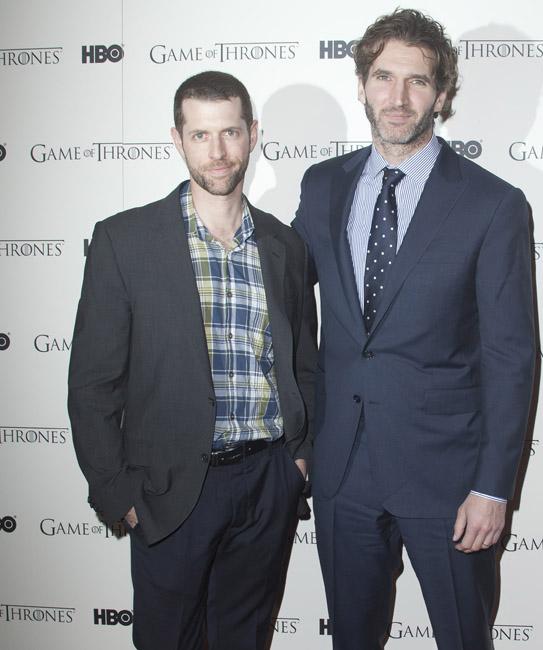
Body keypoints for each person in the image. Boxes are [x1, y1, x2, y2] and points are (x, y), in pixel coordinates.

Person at [292, 9, 535, 650]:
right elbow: (286, 302)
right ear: (363, 85)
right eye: (383, 77)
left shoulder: (493, 204)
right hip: (343, 470)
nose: (397, 98)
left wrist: (492, 488)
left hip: (449, 479)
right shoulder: (322, 186)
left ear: (442, 94)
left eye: (418, 81)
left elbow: (511, 357)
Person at [68, 70, 317, 650]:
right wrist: (117, 493)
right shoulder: (125, 241)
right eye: (201, 135)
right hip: (169, 490)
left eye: (230, 132)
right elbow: (93, 385)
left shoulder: (285, 244)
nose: (218, 151)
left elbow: (305, 363)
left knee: (245, 639)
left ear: (253, 134)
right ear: (177, 139)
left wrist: (298, 461)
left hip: (268, 482)